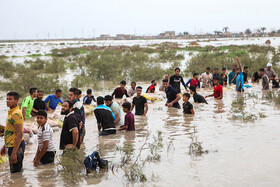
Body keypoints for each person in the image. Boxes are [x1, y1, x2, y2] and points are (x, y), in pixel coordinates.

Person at [1, 92, 25, 173]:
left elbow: (19, 134)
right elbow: (11, 132)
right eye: (7, 99)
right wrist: (5, 147)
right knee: (16, 171)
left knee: (16, 174)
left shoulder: (16, 113)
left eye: (10, 99)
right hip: (11, 145)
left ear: (16, 101)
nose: (7, 101)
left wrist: (14, 153)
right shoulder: (11, 112)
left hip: (15, 147)